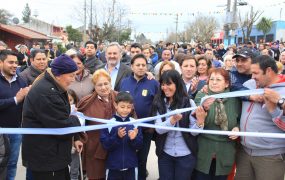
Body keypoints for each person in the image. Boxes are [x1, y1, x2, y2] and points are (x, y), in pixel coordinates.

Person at [22, 54, 84, 180]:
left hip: (52, 155)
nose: (73, 79)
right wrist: (77, 119)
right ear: (59, 74)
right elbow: (61, 127)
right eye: (71, 75)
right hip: (47, 158)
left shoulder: (52, 85)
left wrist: (76, 135)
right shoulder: (48, 93)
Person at [235, 55, 285, 180]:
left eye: (256, 73)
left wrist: (276, 105)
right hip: (244, 152)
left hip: (270, 156)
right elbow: (232, 86)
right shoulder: (250, 84)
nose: (252, 77)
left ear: (268, 71)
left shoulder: (282, 91)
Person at [151, 70, 206, 180]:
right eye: (163, 84)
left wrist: (200, 122)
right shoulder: (158, 103)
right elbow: (158, 130)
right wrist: (172, 120)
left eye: (169, 84)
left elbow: (193, 133)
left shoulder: (188, 103)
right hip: (165, 154)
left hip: (186, 155)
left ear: (177, 84)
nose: (165, 87)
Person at [194, 68, 240, 180]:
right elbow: (197, 121)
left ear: (227, 84)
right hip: (204, 149)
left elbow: (239, 119)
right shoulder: (201, 97)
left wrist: (237, 128)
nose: (214, 82)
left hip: (225, 150)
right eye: (211, 79)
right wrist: (204, 109)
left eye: (218, 79)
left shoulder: (235, 99)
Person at [119, 54, 159, 180]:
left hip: (145, 130)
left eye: (143, 65)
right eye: (138, 65)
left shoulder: (153, 83)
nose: (141, 68)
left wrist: (152, 125)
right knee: (128, 159)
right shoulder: (124, 82)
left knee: (142, 160)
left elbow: (158, 105)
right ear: (132, 67)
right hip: (126, 128)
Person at [77, 69, 117, 180]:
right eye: (99, 85)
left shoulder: (120, 98)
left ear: (110, 83)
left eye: (106, 83)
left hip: (117, 148)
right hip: (94, 149)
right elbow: (77, 124)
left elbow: (132, 118)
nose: (103, 87)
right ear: (94, 86)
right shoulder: (86, 102)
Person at [100, 92, 143, 180]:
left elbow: (139, 145)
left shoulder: (135, 123)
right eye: (122, 107)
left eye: (128, 107)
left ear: (132, 107)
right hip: (113, 167)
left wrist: (134, 139)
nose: (125, 110)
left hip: (131, 166)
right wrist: (117, 136)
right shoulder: (109, 124)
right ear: (116, 105)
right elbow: (105, 145)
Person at [0, 50, 29, 180]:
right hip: (0, 132)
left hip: (16, 131)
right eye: (10, 62)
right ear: (1, 63)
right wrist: (15, 100)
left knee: (12, 165)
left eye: (16, 63)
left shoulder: (21, 81)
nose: (14, 65)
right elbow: (17, 100)